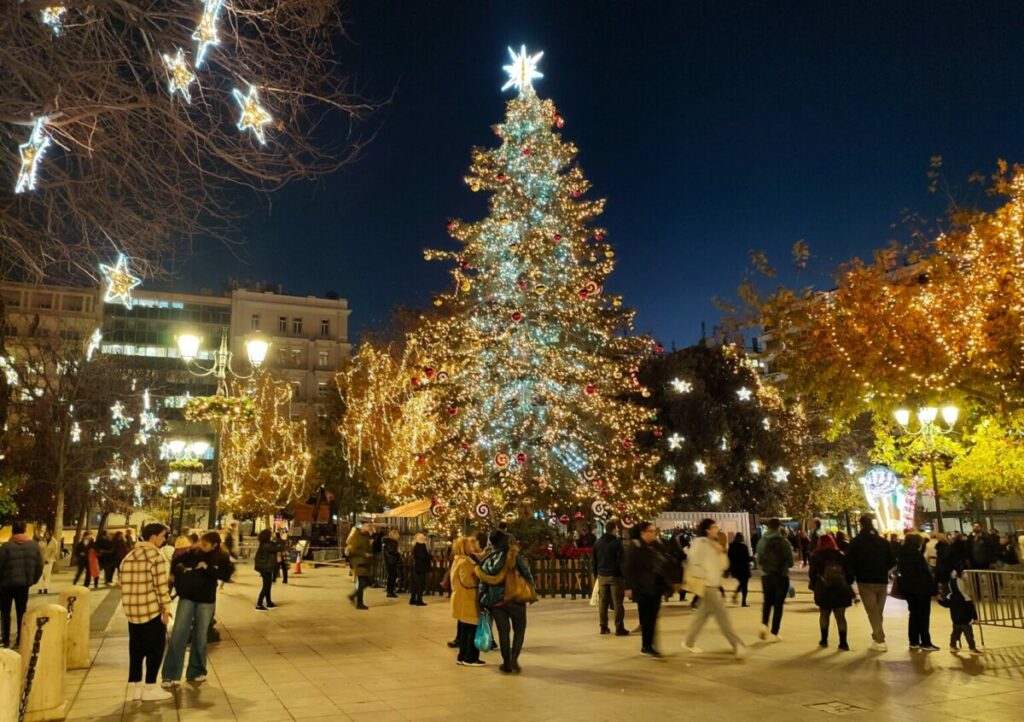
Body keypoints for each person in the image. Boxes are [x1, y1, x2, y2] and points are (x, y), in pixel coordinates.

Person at [161, 531, 235, 687]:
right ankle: (170, 675)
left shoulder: (221, 557)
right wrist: (181, 571)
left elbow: (226, 575)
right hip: (188, 597)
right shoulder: (194, 552)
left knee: (200, 636)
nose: (202, 546)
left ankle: (196, 671)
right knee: (178, 634)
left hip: (206, 601)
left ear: (215, 545)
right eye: (201, 542)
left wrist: (208, 568)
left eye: (205, 544)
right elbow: (176, 563)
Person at [120, 523, 172, 702]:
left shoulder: (128, 556)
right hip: (151, 611)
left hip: (132, 613)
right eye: (163, 536)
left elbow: (122, 584)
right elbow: (161, 587)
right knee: (155, 649)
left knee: (136, 649)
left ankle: (137, 687)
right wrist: (166, 609)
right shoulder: (156, 557)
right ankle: (150, 687)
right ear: (153, 537)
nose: (164, 540)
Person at [681, 519, 747, 658]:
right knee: (722, 616)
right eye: (714, 527)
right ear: (707, 530)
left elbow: (724, 566)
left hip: (714, 584)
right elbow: (693, 565)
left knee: (701, 615)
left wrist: (721, 552)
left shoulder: (715, 545)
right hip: (707, 585)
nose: (717, 529)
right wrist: (706, 575)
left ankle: (688, 641)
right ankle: (737, 644)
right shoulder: (700, 544)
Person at [477, 529, 534, 673]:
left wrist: (481, 600)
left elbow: (482, 583)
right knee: (519, 630)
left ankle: (506, 663)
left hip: (497, 603)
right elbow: (527, 574)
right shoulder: (513, 556)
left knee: (503, 633)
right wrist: (530, 589)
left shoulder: (487, 560)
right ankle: (514, 659)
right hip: (515, 599)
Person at [847, 514, 896, 651]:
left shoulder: (856, 542)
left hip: (865, 580)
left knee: (873, 611)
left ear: (861, 525)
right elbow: (892, 560)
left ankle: (880, 639)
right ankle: (877, 635)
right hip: (881, 580)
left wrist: (854, 574)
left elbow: (849, 560)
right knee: (878, 610)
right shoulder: (883, 542)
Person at [623, 522, 667, 657]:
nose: (653, 534)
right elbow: (628, 568)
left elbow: (664, 563)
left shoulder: (657, 546)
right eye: (650, 531)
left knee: (652, 618)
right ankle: (647, 645)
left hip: (656, 587)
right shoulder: (636, 547)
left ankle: (649, 644)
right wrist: (628, 587)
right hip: (642, 588)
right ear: (643, 533)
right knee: (647, 618)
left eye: (654, 531)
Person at [0, 520, 43, 648]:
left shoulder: (6, 547)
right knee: (21, 611)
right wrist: (32, 580)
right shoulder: (34, 546)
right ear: (24, 530)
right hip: (23, 585)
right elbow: (40, 565)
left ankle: (5, 639)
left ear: (12, 530)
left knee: (5, 612)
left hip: (6, 585)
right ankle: (21, 637)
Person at [809, 534, 854, 650]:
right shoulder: (841, 555)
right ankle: (843, 643)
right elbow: (850, 574)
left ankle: (824, 640)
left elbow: (812, 575)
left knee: (824, 615)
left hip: (824, 588)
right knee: (841, 617)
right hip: (840, 589)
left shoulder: (815, 556)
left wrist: (815, 585)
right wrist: (846, 583)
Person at [755, 518, 794, 642]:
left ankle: (764, 625)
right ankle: (775, 632)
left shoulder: (761, 542)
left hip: (766, 576)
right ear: (779, 527)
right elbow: (791, 563)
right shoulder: (785, 542)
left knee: (767, 602)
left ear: (768, 527)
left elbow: (759, 560)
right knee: (778, 606)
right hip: (781, 577)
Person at [898, 534, 939, 651]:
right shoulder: (916, 555)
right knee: (923, 616)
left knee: (914, 615)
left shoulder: (903, 554)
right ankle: (926, 642)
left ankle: (914, 641)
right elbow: (924, 574)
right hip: (920, 590)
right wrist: (933, 590)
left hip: (909, 590)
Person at [449, 536, 485, 667]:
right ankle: (470, 658)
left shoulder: (459, 560)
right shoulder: (465, 562)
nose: (472, 546)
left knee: (464, 629)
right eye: (469, 545)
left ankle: (462, 656)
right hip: (467, 599)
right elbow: (467, 581)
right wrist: (479, 577)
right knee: (471, 629)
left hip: (463, 598)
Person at [592, 520, 628, 635]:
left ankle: (603, 626)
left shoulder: (597, 543)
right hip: (615, 576)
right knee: (617, 603)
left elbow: (594, 561)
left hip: (602, 576)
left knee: (603, 602)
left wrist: (596, 574)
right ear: (613, 530)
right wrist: (623, 576)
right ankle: (619, 627)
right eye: (616, 529)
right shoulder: (617, 543)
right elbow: (621, 561)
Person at [940, 568, 983, 655]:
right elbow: (971, 609)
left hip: (955, 620)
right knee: (969, 635)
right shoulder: (965, 597)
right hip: (965, 621)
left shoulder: (950, 596)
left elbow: (945, 604)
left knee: (955, 634)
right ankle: (972, 648)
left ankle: (952, 646)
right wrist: (975, 618)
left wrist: (939, 600)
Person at [345, 523, 373, 610]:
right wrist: (364, 554)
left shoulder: (366, 536)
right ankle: (359, 603)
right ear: (362, 527)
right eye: (367, 526)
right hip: (359, 562)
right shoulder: (357, 536)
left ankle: (353, 596)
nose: (369, 527)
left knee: (368, 581)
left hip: (365, 562)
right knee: (362, 583)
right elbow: (353, 550)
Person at [253, 529, 279, 611]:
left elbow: (275, 545)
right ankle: (259, 604)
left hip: (266, 567)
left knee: (268, 585)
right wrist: (283, 539)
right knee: (266, 586)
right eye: (271, 534)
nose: (272, 535)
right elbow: (279, 548)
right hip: (265, 568)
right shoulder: (267, 545)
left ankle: (269, 602)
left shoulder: (265, 544)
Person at [727, 532, 752, 607]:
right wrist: (752, 559)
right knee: (744, 586)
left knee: (742, 583)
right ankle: (743, 602)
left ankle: (736, 595)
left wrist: (729, 568)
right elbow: (746, 558)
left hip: (735, 569)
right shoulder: (743, 547)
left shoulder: (731, 547)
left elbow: (729, 558)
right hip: (743, 569)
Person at [409, 533, 431, 606]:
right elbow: (423, 557)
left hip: (417, 567)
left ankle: (412, 599)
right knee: (420, 584)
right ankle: (419, 600)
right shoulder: (421, 546)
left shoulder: (416, 546)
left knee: (415, 584)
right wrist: (429, 557)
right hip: (421, 568)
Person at [37, 529, 60, 594]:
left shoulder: (54, 542)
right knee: (40, 575)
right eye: (45, 534)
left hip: (49, 561)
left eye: (48, 534)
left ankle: (46, 588)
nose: (46, 536)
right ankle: (40, 588)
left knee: (47, 575)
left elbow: (55, 551)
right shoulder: (41, 541)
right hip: (41, 560)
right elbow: (39, 551)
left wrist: (49, 559)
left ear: (50, 535)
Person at [383, 529, 401, 599]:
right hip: (392, 561)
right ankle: (390, 591)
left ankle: (389, 590)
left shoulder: (387, 542)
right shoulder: (392, 542)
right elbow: (392, 551)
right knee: (392, 576)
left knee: (391, 576)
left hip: (389, 561)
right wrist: (397, 554)